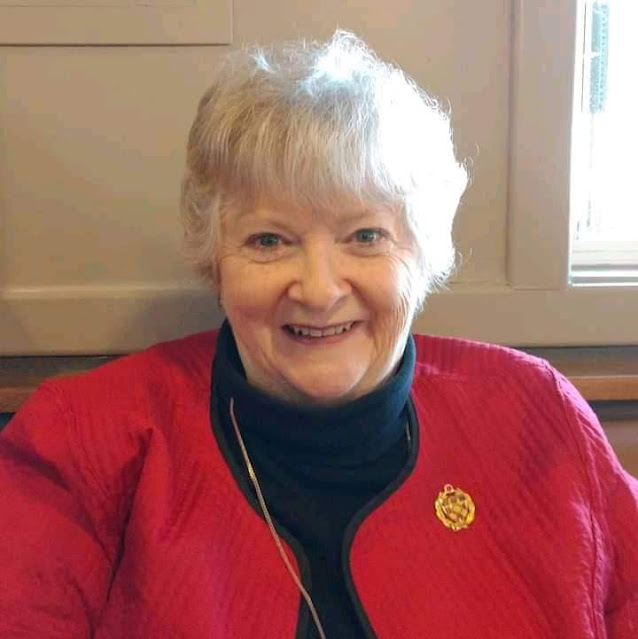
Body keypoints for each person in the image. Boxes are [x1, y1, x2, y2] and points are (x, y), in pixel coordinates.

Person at [0, 30, 636, 639]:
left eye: (365, 236)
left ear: (422, 253)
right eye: (269, 240)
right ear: (214, 260)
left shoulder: (536, 416)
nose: (320, 289)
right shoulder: (84, 443)